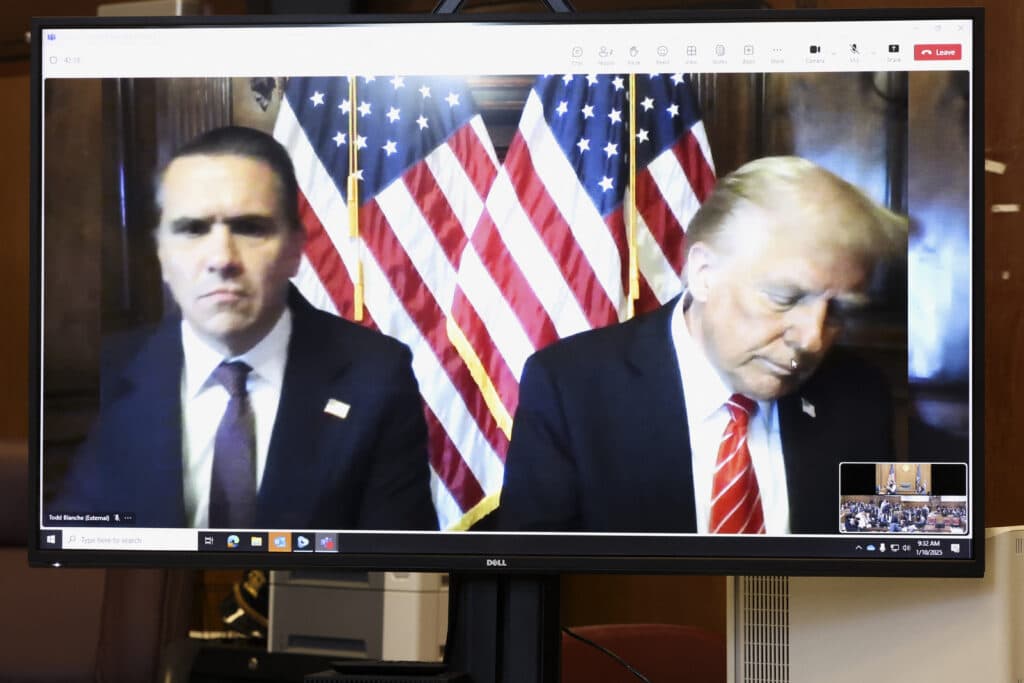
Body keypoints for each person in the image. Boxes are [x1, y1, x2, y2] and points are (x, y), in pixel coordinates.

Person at [50, 126, 438, 531]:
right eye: (192, 229)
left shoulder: (375, 376)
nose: (221, 258)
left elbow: (396, 566)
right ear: (162, 255)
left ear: (294, 250)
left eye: (250, 228)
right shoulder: (110, 371)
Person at [495, 156, 907, 534]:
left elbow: (894, 563)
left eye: (837, 311)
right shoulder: (570, 387)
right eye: (784, 298)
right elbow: (534, 578)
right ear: (704, 273)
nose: (813, 338)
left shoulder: (859, 395)